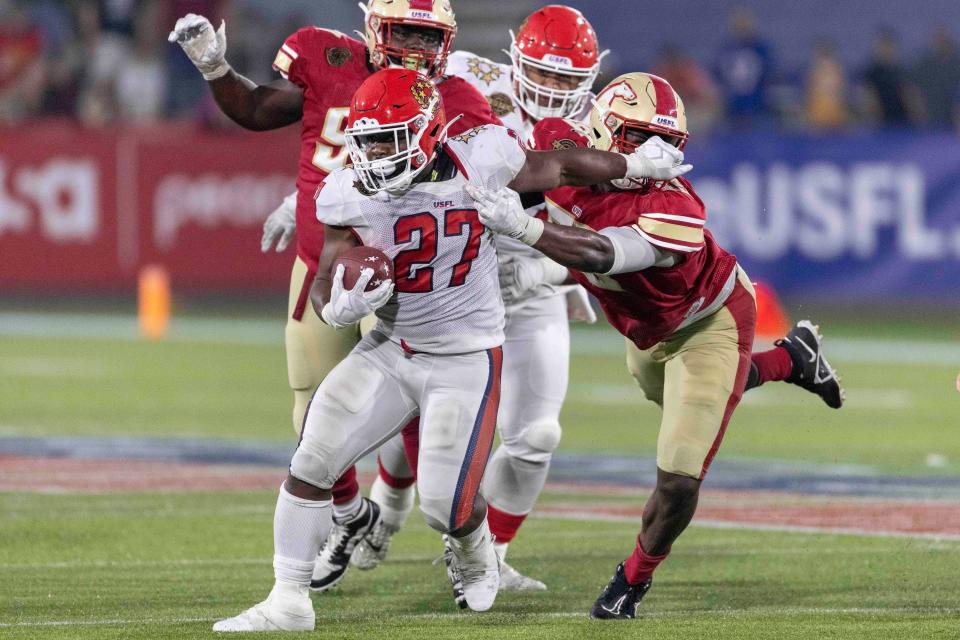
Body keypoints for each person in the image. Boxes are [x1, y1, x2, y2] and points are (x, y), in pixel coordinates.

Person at [209, 67, 692, 632]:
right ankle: (287, 600)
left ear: (429, 131)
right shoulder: (347, 187)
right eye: (366, 142)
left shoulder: (479, 157)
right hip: (392, 346)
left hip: (465, 357)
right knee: (313, 456)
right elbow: (325, 274)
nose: (376, 155)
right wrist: (337, 306)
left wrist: (635, 165)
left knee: (445, 505)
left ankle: (473, 546)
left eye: (391, 139)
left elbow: (560, 164)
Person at [470, 72, 844, 619]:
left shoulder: (677, 210)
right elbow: (530, 183)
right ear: (599, 128)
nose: (653, 153)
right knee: (694, 399)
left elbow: (602, 252)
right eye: (638, 137)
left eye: (666, 143)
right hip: (645, 331)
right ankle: (792, 358)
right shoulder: (562, 142)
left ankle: (631, 581)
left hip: (707, 322)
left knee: (678, 475)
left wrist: (529, 241)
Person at [168, 0, 502, 594]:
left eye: (428, 37)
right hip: (325, 257)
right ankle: (351, 519)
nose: (416, 49)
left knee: (424, 412)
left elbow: (494, 173)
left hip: (405, 267)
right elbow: (257, 109)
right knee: (311, 410)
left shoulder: (455, 95)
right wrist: (216, 69)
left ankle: (459, 533)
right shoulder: (330, 60)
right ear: (374, 27)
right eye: (403, 32)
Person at [352, 3, 606, 594]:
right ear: (514, 57)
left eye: (566, 81)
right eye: (541, 74)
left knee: (537, 435)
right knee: (414, 400)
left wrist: (550, 277)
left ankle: (489, 553)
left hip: (530, 280)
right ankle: (387, 505)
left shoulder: (601, 128)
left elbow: (608, 237)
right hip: (453, 270)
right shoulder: (463, 77)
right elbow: (379, 135)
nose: (549, 90)